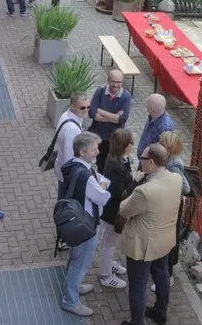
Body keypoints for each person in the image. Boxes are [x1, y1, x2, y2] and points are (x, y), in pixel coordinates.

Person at [118, 143, 182, 325]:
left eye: (143, 159)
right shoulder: (176, 179)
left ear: (152, 163)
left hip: (142, 246)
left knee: (137, 286)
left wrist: (137, 181)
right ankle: (160, 312)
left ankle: (137, 322)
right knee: (161, 273)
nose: (141, 161)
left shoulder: (144, 191)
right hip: (164, 240)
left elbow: (123, 210)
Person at [59, 132, 111, 318]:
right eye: (94, 149)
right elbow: (102, 198)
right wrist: (103, 186)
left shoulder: (72, 165)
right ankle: (70, 300)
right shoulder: (87, 176)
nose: (97, 151)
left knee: (75, 257)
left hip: (76, 222)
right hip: (87, 224)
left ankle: (72, 286)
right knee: (81, 262)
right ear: (82, 151)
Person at [98, 128, 133, 290]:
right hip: (113, 213)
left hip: (112, 210)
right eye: (130, 142)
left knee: (110, 243)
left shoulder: (120, 159)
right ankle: (105, 275)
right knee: (110, 244)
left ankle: (109, 264)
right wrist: (136, 180)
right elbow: (121, 193)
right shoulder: (115, 166)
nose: (133, 144)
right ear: (124, 146)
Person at [158, 131, 191, 291]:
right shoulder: (168, 160)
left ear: (169, 148)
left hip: (173, 206)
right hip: (168, 204)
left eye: (162, 143)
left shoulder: (174, 165)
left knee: (171, 239)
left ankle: (169, 275)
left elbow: (186, 187)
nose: (159, 145)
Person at [89, 69, 132, 173]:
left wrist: (101, 111)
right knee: (100, 164)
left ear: (122, 82)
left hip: (115, 139)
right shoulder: (100, 92)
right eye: (113, 81)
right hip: (99, 137)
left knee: (113, 165)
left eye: (119, 82)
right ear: (108, 80)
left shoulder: (126, 97)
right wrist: (114, 117)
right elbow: (91, 113)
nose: (116, 85)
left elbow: (122, 120)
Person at [54, 94, 89, 198]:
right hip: (68, 174)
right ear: (73, 106)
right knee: (66, 202)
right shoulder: (71, 129)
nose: (86, 110)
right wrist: (73, 180)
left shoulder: (67, 115)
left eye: (88, 107)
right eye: (82, 107)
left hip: (63, 169)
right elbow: (69, 158)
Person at [136, 94, 174, 160]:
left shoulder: (165, 128)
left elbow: (162, 155)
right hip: (144, 161)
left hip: (149, 166)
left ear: (151, 109)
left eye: (147, 102)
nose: (146, 104)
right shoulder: (154, 115)